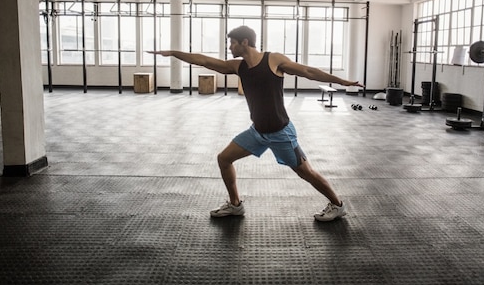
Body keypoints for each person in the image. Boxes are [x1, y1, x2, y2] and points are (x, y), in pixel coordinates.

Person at [148, 25, 363, 221]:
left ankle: (337, 205)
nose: (229, 47)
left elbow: (308, 71)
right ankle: (235, 204)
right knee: (224, 159)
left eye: (232, 42)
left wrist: (341, 81)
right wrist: (174, 53)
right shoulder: (237, 66)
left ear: (244, 42)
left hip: (281, 133)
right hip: (257, 132)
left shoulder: (273, 60)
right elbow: (204, 60)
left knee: (306, 172)